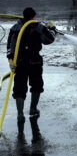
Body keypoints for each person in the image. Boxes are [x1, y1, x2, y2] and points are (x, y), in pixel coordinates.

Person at [6, 7, 56, 137]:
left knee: (19, 89)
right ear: (34, 16)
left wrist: (11, 61)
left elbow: (9, 47)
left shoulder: (15, 28)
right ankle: (33, 109)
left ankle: (20, 114)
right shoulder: (38, 27)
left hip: (19, 62)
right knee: (37, 85)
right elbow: (49, 40)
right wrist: (52, 29)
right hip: (34, 61)